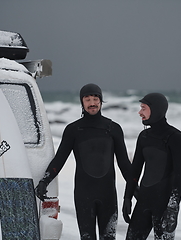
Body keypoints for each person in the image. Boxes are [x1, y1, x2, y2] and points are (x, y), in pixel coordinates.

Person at [36, 83, 132, 240]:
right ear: (82, 102)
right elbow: (60, 159)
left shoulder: (113, 128)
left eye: (95, 99)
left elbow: (124, 164)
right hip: (83, 195)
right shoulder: (73, 130)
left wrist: (135, 191)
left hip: (108, 194)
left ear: (101, 101)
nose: (92, 103)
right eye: (87, 99)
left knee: (109, 238)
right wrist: (44, 181)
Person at [122, 93, 181, 240]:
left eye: (143, 108)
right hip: (144, 203)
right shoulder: (144, 137)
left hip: (164, 207)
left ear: (156, 109)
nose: (140, 112)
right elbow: (135, 170)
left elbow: (180, 176)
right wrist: (127, 197)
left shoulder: (176, 138)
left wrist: (173, 208)